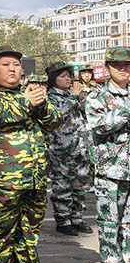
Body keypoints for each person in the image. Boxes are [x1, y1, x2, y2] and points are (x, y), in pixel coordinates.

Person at [0, 46, 63, 263]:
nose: (12, 69)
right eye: (5, 65)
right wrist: (26, 101)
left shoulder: (30, 94)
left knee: (28, 236)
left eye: (16, 65)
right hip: (0, 184)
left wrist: (41, 103)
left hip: (33, 181)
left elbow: (55, 122)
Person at [85, 47, 130, 263]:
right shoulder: (97, 96)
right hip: (110, 171)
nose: (123, 69)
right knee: (110, 223)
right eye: (117, 65)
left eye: (127, 65)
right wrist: (126, 108)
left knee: (129, 223)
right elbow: (100, 125)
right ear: (109, 67)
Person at [45, 61, 92, 236]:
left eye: (69, 76)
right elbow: (57, 116)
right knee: (63, 186)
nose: (67, 79)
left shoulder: (74, 95)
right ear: (53, 79)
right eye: (62, 76)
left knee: (80, 185)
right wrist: (73, 98)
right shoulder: (50, 97)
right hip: (61, 150)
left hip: (79, 148)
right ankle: (63, 220)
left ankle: (77, 217)